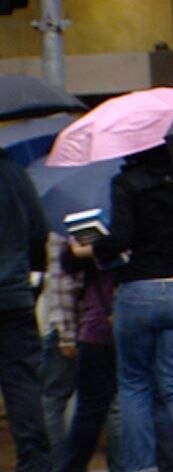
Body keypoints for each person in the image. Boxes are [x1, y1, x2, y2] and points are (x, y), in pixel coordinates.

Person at [70, 145, 173, 472]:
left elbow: (120, 239)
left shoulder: (127, 182)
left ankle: (142, 467)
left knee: (134, 384)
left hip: (138, 291)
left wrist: (93, 246)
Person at [0, 154, 52, 471]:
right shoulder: (14, 172)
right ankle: (35, 462)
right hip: (14, 296)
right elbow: (38, 233)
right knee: (23, 386)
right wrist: (30, 280)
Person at [57, 244, 120, 472]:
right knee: (137, 401)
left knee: (89, 408)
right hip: (136, 321)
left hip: (98, 326)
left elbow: (65, 264)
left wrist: (84, 249)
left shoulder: (96, 223)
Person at [39, 232, 81, 472]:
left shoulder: (60, 227)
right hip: (99, 322)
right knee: (110, 403)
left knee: (53, 399)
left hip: (67, 324)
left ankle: (59, 466)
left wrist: (65, 333)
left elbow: (59, 282)